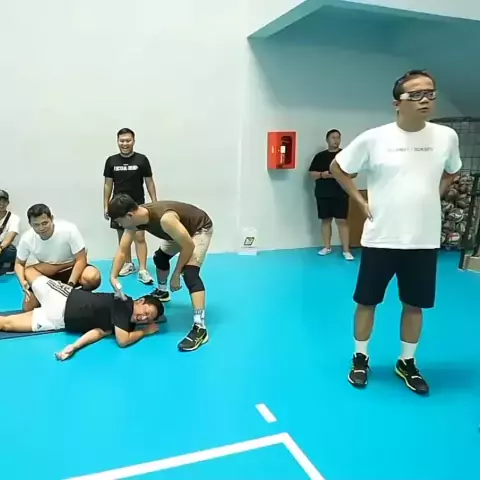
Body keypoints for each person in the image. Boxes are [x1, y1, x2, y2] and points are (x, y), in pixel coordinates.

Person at [330, 70, 462, 395]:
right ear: (397, 103)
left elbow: (453, 171)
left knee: (414, 304)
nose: (425, 100)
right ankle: (360, 357)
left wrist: (434, 196)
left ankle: (407, 362)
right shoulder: (374, 139)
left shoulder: (446, 137)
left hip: (423, 239)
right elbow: (339, 168)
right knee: (367, 301)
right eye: (415, 95)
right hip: (381, 237)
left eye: (430, 93)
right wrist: (360, 201)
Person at [107, 194, 213, 352]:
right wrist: (113, 276)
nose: (119, 225)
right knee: (160, 258)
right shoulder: (135, 220)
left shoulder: (166, 219)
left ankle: (200, 327)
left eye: (119, 221)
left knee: (190, 273)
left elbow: (189, 246)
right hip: (178, 232)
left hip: (198, 230)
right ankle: (163, 292)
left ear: (129, 215)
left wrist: (177, 273)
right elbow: (123, 250)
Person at [0, 268, 163, 361]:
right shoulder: (125, 303)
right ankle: (34, 294)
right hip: (62, 297)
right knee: (29, 271)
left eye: (147, 319)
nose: (143, 318)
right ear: (140, 301)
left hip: (57, 321)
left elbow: (99, 331)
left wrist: (74, 346)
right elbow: (123, 341)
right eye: (146, 312)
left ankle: (35, 297)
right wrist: (145, 331)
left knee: (6, 325)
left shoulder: (125, 326)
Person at [15, 204, 101, 311]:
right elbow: (19, 263)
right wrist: (23, 282)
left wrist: (70, 284)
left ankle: (79, 296)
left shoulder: (69, 230)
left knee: (92, 277)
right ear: (30, 224)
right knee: (28, 308)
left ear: (52, 218)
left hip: (72, 269)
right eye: (36, 225)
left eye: (44, 223)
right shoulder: (27, 238)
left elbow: (81, 259)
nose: (41, 228)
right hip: (48, 275)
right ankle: (51, 296)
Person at [103, 128, 157, 284]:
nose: (124, 143)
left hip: (137, 205)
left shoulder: (142, 160)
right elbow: (107, 184)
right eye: (122, 140)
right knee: (122, 238)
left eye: (128, 140)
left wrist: (155, 202)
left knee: (139, 236)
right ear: (117, 141)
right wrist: (106, 205)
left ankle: (143, 269)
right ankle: (128, 264)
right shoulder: (111, 161)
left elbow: (149, 182)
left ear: (133, 141)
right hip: (118, 205)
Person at [308, 130, 354, 260]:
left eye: (338, 138)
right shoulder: (320, 156)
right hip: (323, 193)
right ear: (327, 140)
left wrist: (339, 175)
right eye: (333, 138)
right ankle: (327, 247)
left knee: (342, 220)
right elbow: (312, 174)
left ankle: (346, 250)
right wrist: (322, 175)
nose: (336, 140)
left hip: (341, 192)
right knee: (325, 220)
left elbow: (354, 173)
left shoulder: (345, 155)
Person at [0, 190, 21, 275]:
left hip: (3, 249)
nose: (1, 203)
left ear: (8, 203)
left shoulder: (14, 218)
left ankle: (7, 266)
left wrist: (0, 248)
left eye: (4, 201)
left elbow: (10, 237)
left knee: (10, 250)